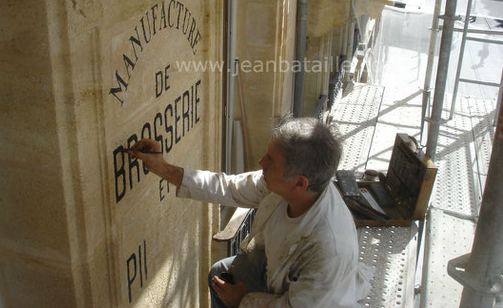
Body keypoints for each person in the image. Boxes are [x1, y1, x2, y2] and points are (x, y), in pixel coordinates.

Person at [129, 115, 373, 308]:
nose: (260, 163)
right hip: (278, 275)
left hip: (313, 303)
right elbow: (227, 187)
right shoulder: (284, 186)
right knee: (221, 275)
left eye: (270, 160)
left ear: (300, 183)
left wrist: (244, 302)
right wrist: (163, 168)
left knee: (227, 288)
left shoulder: (328, 247)